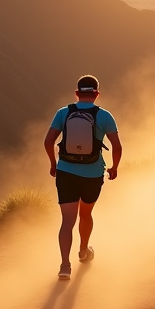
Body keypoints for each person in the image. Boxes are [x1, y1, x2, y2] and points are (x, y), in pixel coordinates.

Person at [43, 75, 122, 281]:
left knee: (67, 220)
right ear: (96, 94)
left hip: (66, 173)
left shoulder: (63, 113)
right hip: (92, 174)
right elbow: (117, 146)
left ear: (77, 93)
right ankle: (83, 251)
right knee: (85, 215)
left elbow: (48, 141)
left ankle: (64, 266)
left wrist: (53, 164)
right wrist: (114, 168)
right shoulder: (104, 116)